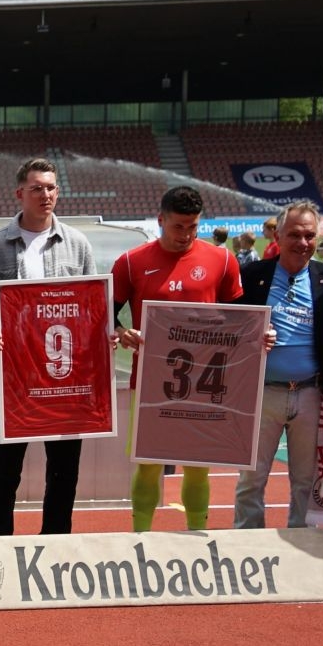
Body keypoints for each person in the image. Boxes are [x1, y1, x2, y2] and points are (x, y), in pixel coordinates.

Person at [0, 158, 97, 538]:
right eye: (37, 188)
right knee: (4, 472)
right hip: (12, 380)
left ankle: (55, 542)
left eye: (51, 187)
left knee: (64, 470)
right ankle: (1, 546)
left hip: (63, 378)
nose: (46, 195)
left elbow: (91, 304)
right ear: (19, 193)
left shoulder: (77, 244)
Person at [111, 185, 244, 532]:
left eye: (193, 226)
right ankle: (140, 536)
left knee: (198, 465)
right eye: (178, 227)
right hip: (151, 381)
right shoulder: (130, 262)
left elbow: (240, 318)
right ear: (161, 220)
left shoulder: (222, 260)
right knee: (148, 465)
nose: (186, 234)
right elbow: (106, 312)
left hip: (205, 383)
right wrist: (121, 331)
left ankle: (197, 534)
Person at [234, 202, 323, 529]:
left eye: (309, 235)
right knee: (251, 479)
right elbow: (228, 329)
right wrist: (251, 338)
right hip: (261, 394)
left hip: (311, 394)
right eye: (294, 235)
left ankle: (299, 544)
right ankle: (247, 542)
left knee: (306, 480)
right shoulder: (252, 276)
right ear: (277, 236)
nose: (303, 243)